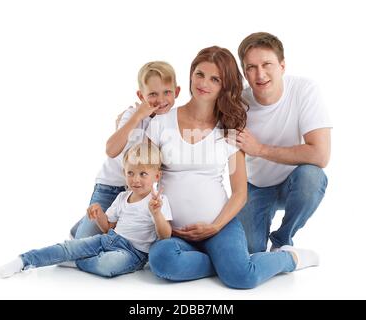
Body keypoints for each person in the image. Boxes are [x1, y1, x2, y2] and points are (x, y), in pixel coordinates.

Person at [146, 46, 319, 289]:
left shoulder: (228, 129)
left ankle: (290, 258)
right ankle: (222, 263)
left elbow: (240, 192)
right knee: (162, 262)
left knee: (242, 278)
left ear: (224, 86)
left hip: (220, 227)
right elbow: (141, 175)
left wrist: (214, 226)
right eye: (200, 74)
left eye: (214, 79)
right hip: (174, 232)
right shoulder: (160, 123)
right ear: (191, 74)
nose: (204, 83)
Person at [0, 142, 172, 278]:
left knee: (108, 265)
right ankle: (24, 260)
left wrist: (156, 214)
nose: (135, 179)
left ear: (156, 176)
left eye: (143, 174)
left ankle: (76, 262)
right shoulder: (122, 198)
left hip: (133, 253)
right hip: (109, 239)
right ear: (124, 173)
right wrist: (99, 215)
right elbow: (108, 227)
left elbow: (165, 236)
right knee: (69, 247)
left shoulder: (159, 201)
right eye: (131, 173)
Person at [235, 32, 332, 253]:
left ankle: (282, 239)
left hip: (293, 183)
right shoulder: (239, 103)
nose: (260, 74)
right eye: (251, 67)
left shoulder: (304, 90)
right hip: (255, 186)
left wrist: (259, 149)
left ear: (282, 66)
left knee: (313, 177)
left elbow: (320, 155)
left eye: (266, 64)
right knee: (251, 250)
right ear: (245, 73)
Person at [70, 61, 180, 239]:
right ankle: (85, 226)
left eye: (166, 92)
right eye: (152, 94)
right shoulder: (132, 115)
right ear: (141, 95)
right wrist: (137, 116)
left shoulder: (171, 122)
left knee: (121, 238)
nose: (160, 100)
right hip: (111, 187)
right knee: (85, 242)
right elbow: (111, 150)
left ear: (176, 92)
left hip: (138, 192)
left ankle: (86, 224)